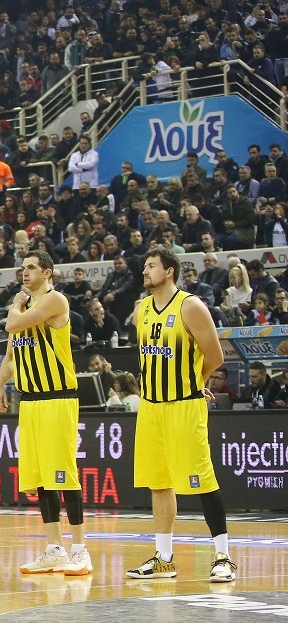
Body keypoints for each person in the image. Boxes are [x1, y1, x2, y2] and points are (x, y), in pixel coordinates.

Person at [127, 249, 235, 583]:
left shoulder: (191, 305)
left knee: (202, 479)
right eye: (144, 266)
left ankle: (223, 556)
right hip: (152, 407)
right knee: (159, 482)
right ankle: (164, 558)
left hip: (184, 405)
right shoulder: (141, 309)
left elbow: (215, 356)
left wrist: (193, 382)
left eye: (152, 266)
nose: (145, 271)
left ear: (170, 271)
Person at [0, 252, 91, 576]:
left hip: (57, 398)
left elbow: (11, 323)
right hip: (30, 401)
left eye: (31, 267)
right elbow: (11, 354)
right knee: (41, 479)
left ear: (47, 272)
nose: (24, 272)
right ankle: (54, 548)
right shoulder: (24, 308)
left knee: (64, 474)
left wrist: (16, 303)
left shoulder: (54, 301)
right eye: (22, 268)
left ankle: (80, 550)